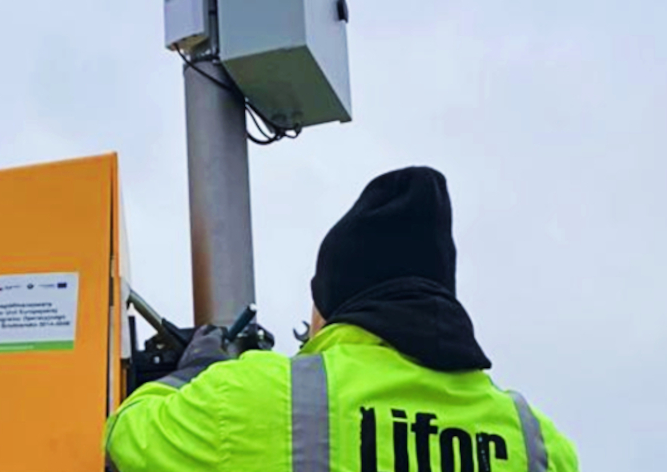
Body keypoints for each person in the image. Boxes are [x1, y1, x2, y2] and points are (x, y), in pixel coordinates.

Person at [104, 166, 578, 472]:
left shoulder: (259, 398)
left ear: (332, 304)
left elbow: (128, 434)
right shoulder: (537, 443)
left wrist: (194, 374)